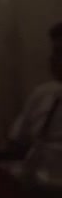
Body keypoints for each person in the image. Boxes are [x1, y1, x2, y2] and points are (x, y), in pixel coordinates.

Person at [7, 23, 62, 155]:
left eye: (60, 52)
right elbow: (17, 142)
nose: (52, 59)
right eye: (54, 52)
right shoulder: (43, 94)